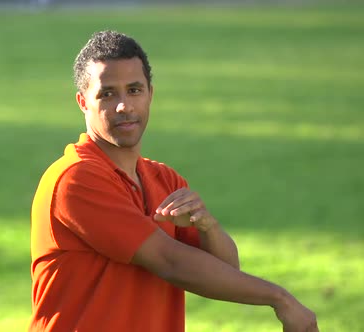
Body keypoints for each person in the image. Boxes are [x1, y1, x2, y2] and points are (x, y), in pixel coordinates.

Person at [30, 30, 318, 332]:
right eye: (107, 93)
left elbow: (226, 270)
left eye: (134, 90)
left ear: (150, 94)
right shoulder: (75, 178)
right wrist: (280, 298)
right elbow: (171, 262)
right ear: (82, 102)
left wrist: (208, 228)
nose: (124, 106)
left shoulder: (164, 179)